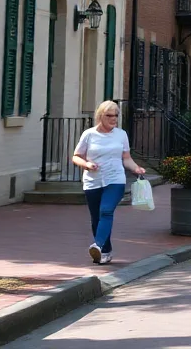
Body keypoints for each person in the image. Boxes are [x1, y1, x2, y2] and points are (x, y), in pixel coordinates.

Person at [71, 100, 145, 265]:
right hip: (92, 181)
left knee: (106, 211)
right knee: (96, 218)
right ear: (100, 116)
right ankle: (105, 252)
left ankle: (97, 245)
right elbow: (76, 156)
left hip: (115, 179)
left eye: (116, 116)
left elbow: (126, 158)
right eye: (109, 115)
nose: (113, 119)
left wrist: (136, 168)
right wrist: (87, 165)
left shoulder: (121, 134)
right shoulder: (89, 134)